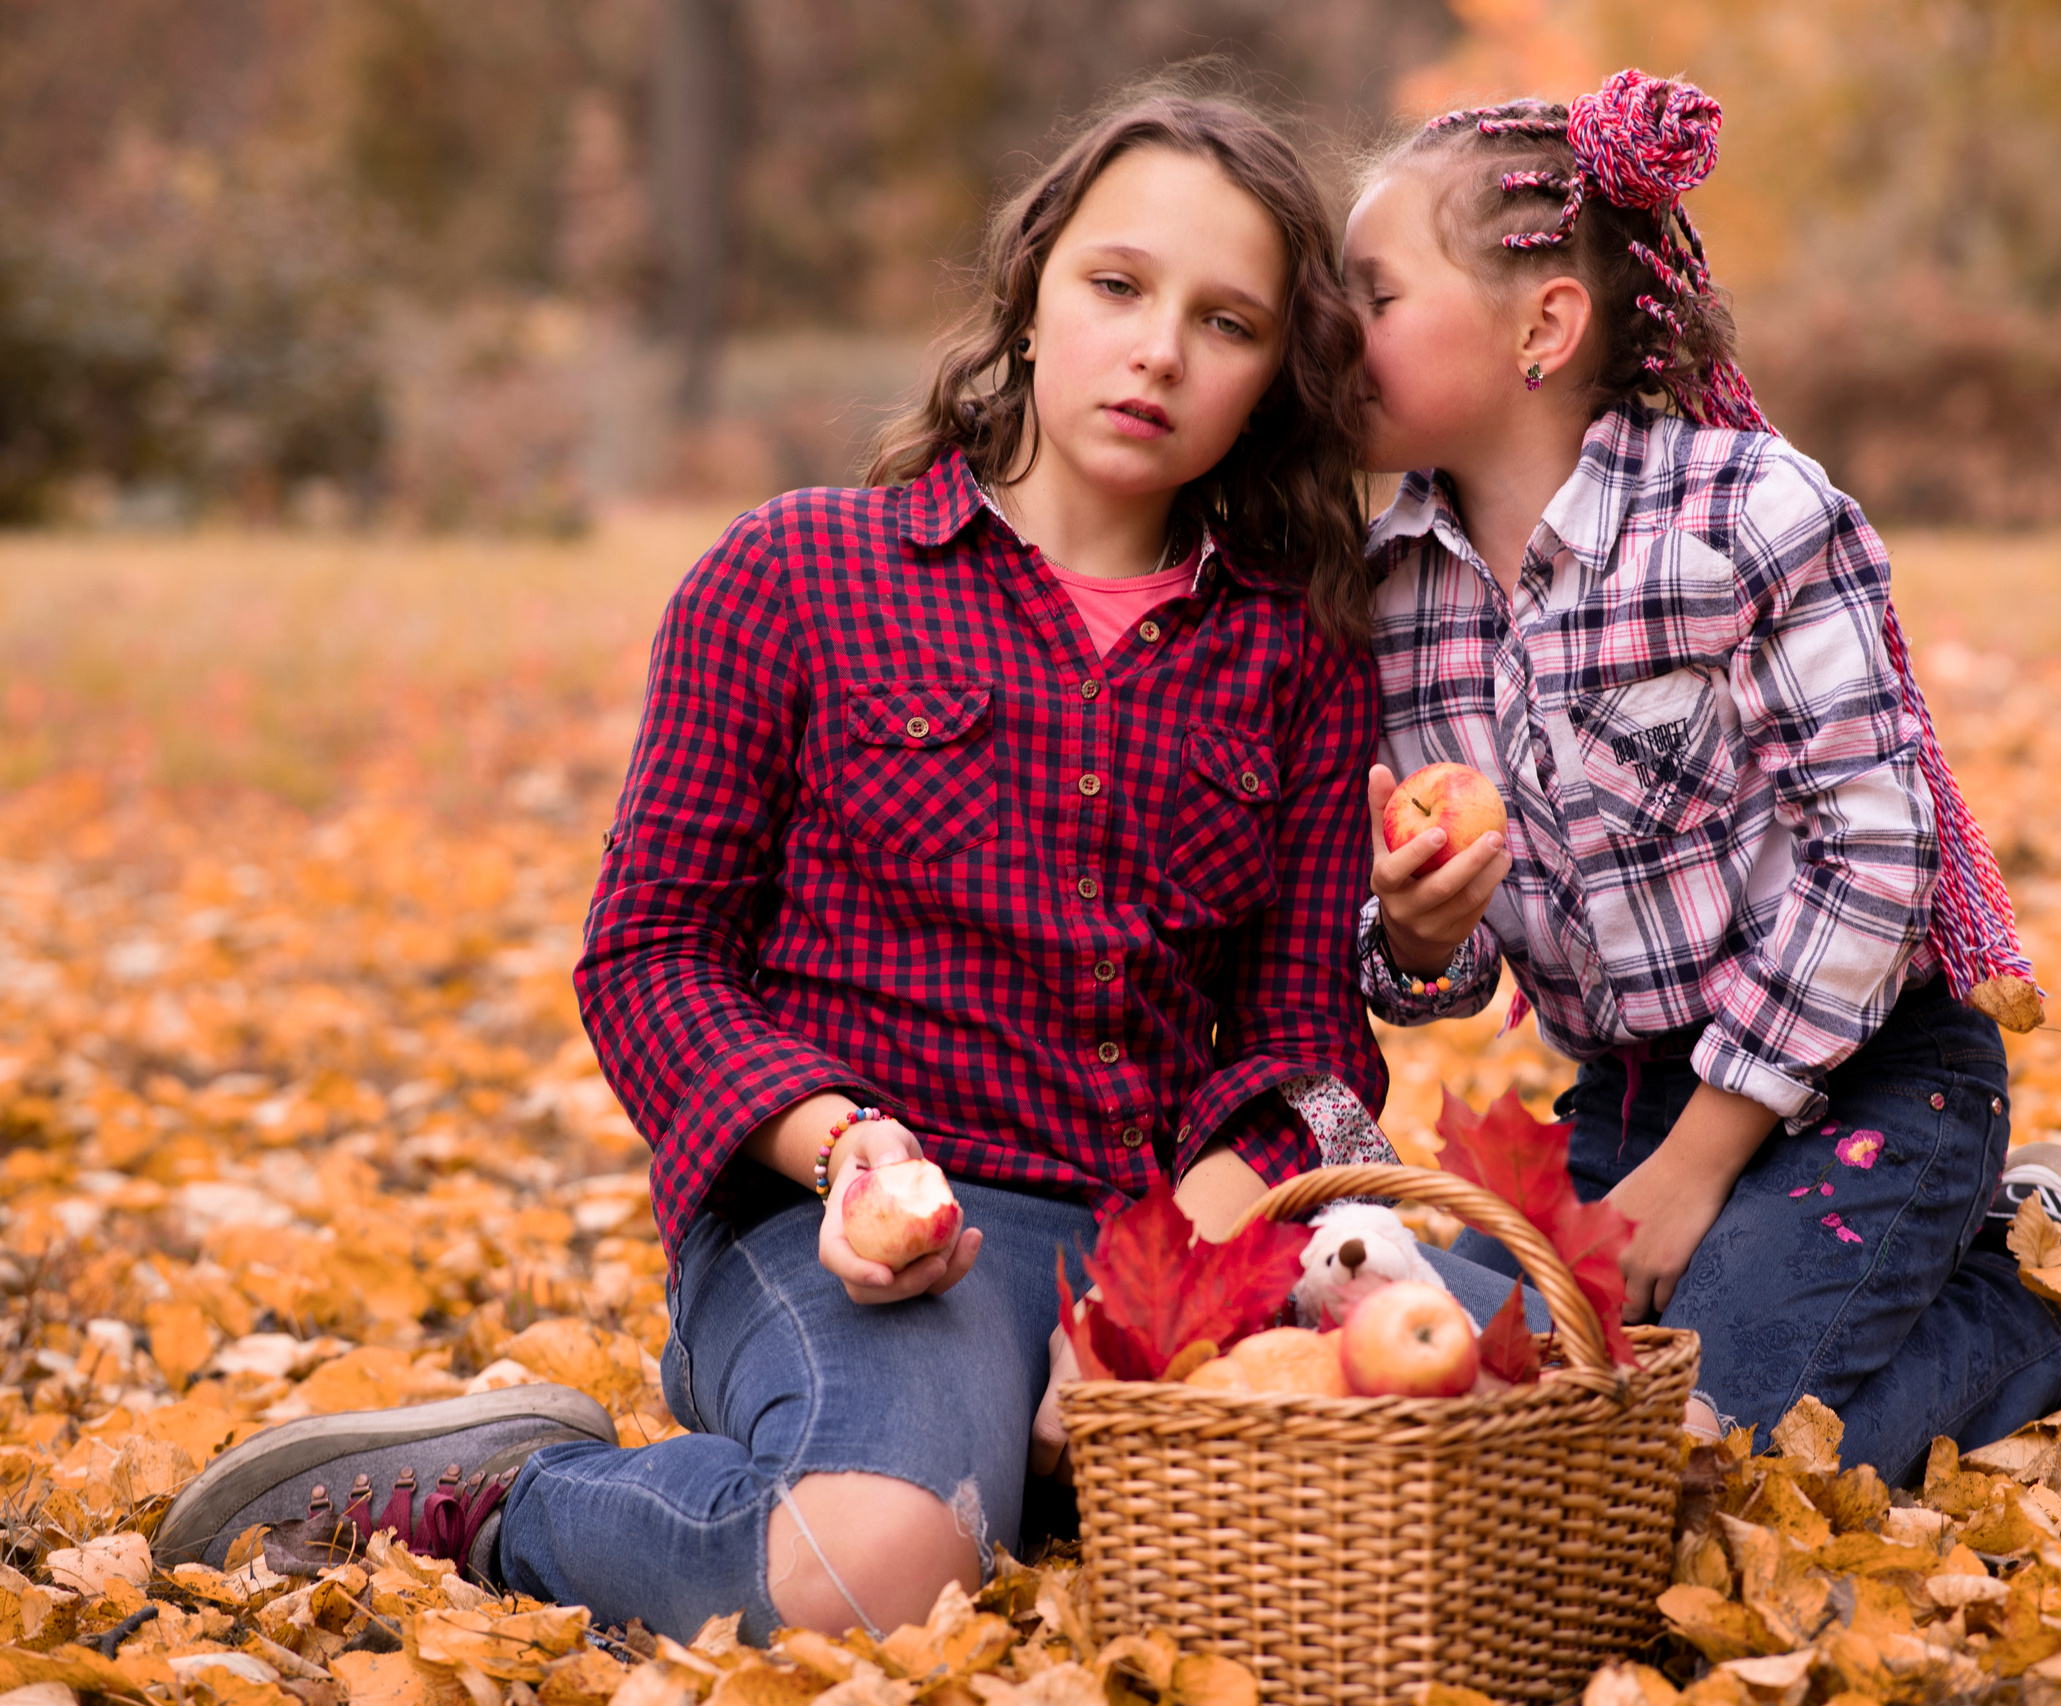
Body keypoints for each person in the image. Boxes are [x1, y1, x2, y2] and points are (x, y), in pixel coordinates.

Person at [154, 83, 1408, 1639]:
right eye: (1117, 284)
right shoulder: (796, 573)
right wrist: (847, 1154)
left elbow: (1310, 1043)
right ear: (1028, 300)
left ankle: (1003, 1443)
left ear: (1274, 375)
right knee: (875, 1568)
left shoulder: (1296, 647)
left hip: (1170, 1217)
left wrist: (1151, 1292)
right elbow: (646, 956)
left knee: (1454, 1431)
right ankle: (501, 1501)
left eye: (1227, 321)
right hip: (855, 1230)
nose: (1158, 347)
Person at [1346, 72, 2061, 1485]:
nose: (1334, 333)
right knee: (1499, 1416)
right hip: (1626, 1095)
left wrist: (1698, 1168)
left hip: (1872, 1083)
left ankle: (2046, 1304)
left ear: (1542, 327)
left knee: (1708, 1453)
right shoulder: (1392, 595)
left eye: (1373, 296)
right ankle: (1857, 1286)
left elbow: (1876, 857)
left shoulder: (1746, 517)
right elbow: (1411, 959)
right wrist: (1420, 934)